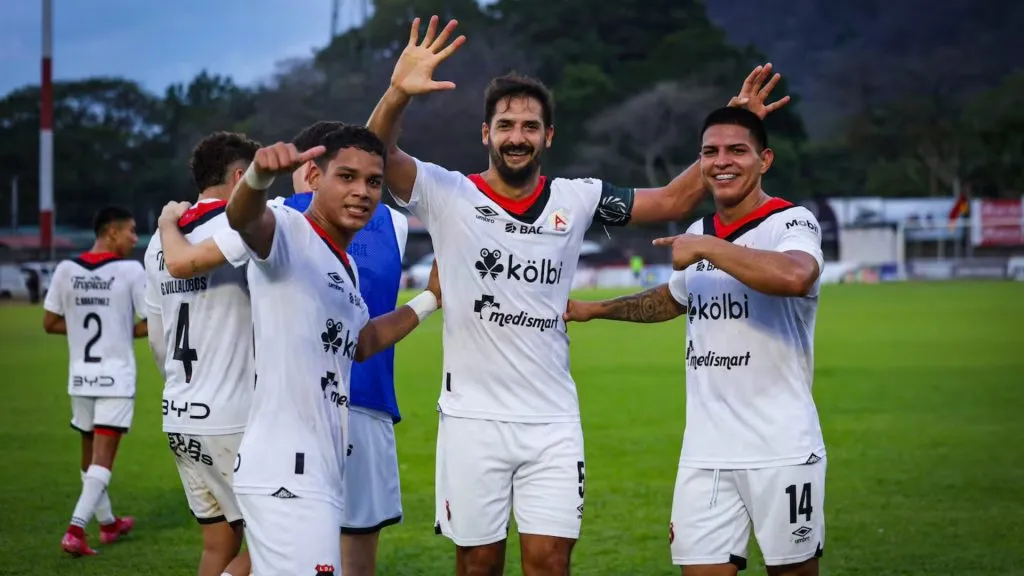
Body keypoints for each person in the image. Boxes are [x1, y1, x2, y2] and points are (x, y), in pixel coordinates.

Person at [365, 15, 793, 575]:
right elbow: (373, 156)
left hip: (553, 420)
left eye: (530, 126)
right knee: (477, 564)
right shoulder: (448, 193)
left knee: (550, 561)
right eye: (506, 125)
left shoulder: (578, 198)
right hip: (472, 420)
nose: (517, 136)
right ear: (486, 134)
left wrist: (732, 127)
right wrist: (397, 94)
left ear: (549, 137)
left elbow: (670, 201)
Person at [564, 107, 827, 576]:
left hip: (781, 446)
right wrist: (594, 310)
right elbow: (671, 299)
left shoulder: (790, 222)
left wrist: (709, 249)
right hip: (705, 451)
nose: (722, 161)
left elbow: (796, 275)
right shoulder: (697, 232)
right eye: (710, 152)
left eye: (737, 150)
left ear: (765, 160)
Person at [223, 126, 439, 575]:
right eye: (347, 177)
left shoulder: (346, 266)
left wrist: (431, 299)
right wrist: (259, 176)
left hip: (318, 465)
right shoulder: (290, 232)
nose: (362, 191)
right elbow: (244, 218)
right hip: (287, 467)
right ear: (315, 177)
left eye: (373, 181)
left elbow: (361, 343)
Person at [284, 120, 417, 576]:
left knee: (281, 545)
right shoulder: (393, 222)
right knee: (356, 544)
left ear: (308, 168)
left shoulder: (275, 216)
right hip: (368, 401)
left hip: (290, 408)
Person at [144, 131, 260, 576]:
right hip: (235, 414)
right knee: (278, 538)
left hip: (180, 413)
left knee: (218, 544)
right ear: (240, 176)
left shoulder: (160, 241)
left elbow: (157, 338)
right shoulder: (243, 227)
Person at [42, 206, 147, 557]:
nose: (135, 239)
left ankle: (108, 524)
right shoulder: (131, 271)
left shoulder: (66, 269)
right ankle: (75, 530)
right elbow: (152, 321)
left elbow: (49, 322)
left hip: (80, 377)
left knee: (89, 455)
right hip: (114, 377)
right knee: (103, 459)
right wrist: (120, 332)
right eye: (131, 231)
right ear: (111, 232)